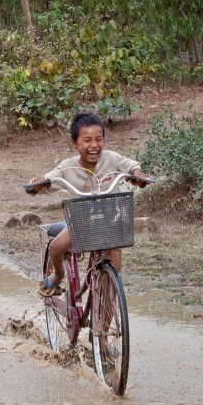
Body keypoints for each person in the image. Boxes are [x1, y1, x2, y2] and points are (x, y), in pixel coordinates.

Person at [29, 112, 151, 297]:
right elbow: (48, 179)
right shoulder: (67, 167)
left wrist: (138, 174)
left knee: (112, 284)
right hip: (81, 223)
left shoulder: (111, 159)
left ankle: (105, 325)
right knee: (56, 247)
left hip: (111, 224)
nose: (94, 145)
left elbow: (131, 165)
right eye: (87, 140)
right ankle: (57, 275)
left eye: (99, 139)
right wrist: (38, 183)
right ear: (74, 143)